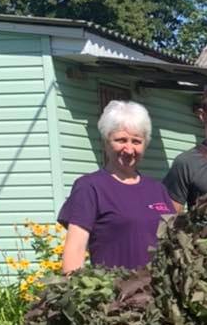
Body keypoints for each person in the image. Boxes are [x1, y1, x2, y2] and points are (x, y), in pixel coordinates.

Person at [59, 100, 174, 272]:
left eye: (136, 141)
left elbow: (174, 244)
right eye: (121, 140)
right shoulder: (90, 187)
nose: (129, 149)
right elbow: (75, 249)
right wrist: (74, 293)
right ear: (106, 142)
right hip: (115, 294)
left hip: (157, 294)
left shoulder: (157, 190)